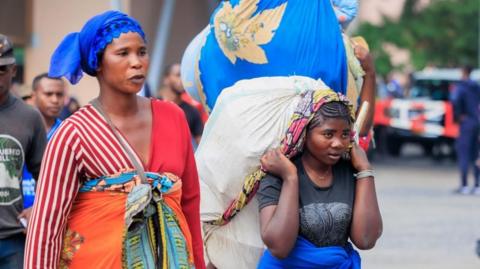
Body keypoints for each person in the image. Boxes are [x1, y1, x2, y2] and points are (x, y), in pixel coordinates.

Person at [24, 11, 205, 269]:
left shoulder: (173, 118)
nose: (137, 62)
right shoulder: (74, 133)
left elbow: (190, 202)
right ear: (98, 62)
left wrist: (197, 262)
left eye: (141, 52)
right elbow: (46, 227)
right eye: (123, 53)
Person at [256, 90, 382, 268]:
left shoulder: (349, 172)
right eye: (328, 134)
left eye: (345, 134)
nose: (338, 143)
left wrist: (365, 170)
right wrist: (291, 178)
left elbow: (366, 239)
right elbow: (279, 247)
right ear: (304, 133)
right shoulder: (277, 174)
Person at [0, 34, 47, 269]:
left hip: (13, 238)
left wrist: (37, 208)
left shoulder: (29, 117)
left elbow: (48, 175)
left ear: (13, 71)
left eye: (1, 69)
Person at [451, 65, 480, 195]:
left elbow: (455, 101)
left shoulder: (461, 87)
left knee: (463, 153)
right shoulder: (476, 86)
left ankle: (464, 185)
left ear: (463, 72)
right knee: (476, 154)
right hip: (477, 122)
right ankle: (477, 185)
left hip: (466, 122)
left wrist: (458, 117)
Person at [162, 63, 204, 145]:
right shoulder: (150, 105)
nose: (182, 79)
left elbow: (202, 145)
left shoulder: (192, 111)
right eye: (178, 75)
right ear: (166, 79)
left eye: (184, 76)